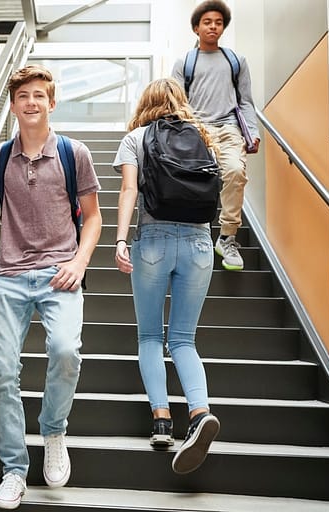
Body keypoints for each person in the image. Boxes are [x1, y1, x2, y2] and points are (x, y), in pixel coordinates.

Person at [0, 64, 102, 510]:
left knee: (66, 351)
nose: (31, 102)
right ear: (12, 105)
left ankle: (53, 430)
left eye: (39, 95)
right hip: (10, 274)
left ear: (52, 102)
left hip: (61, 273)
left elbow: (93, 217)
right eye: (23, 95)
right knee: (0, 373)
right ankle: (14, 468)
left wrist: (80, 260)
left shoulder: (75, 153)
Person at [113, 77, 220, 475]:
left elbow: (128, 191)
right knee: (183, 339)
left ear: (146, 103)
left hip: (154, 242)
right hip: (199, 244)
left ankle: (161, 421)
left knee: (150, 337)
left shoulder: (136, 138)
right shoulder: (204, 138)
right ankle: (199, 413)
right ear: (181, 103)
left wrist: (121, 239)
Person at [171, 0, 260, 271]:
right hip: (196, 129)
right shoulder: (184, 62)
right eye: (207, 22)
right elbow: (175, 102)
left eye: (218, 23)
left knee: (235, 171)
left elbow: (246, 101)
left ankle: (227, 237)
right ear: (196, 28)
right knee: (198, 180)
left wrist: (253, 132)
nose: (213, 27)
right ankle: (194, 235)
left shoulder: (235, 61)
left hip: (228, 127)